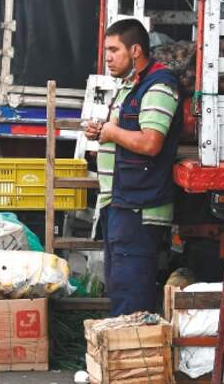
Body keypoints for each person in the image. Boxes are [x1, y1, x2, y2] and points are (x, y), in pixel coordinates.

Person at [83, 19, 181, 316]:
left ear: (135, 50)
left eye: (114, 50)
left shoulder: (159, 85)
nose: (108, 57)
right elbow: (127, 131)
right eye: (106, 50)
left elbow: (151, 142)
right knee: (120, 287)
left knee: (131, 294)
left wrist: (111, 133)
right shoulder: (131, 86)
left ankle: (134, 357)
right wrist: (103, 131)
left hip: (139, 206)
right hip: (121, 202)